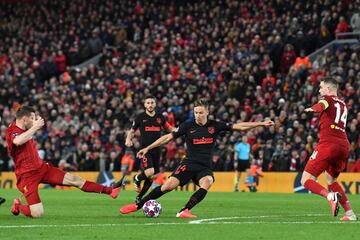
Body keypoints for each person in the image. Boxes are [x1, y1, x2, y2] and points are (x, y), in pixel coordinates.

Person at [120, 99, 274, 218]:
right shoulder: (188, 126)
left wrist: (260, 123)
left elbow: (239, 126)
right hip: (188, 164)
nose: (197, 115)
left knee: (207, 182)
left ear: (207, 112)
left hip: (204, 166)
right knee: (168, 186)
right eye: (195, 112)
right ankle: (138, 205)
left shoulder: (215, 125)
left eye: (200, 113)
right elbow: (167, 137)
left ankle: (184, 210)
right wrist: (147, 148)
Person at [5, 106, 125, 218]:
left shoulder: (25, 127)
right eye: (32, 118)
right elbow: (18, 141)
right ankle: (18, 205)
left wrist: (34, 126)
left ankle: (110, 190)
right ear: (24, 119)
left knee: (75, 180)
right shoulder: (12, 130)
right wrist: (35, 127)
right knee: (37, 213)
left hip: (42, 168)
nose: (34, 120)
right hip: (27, 175)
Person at [301, 77, 357, 221]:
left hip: (328, 144)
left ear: (328, 89)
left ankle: (329, 196)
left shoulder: (328, 99)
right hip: (344, 145)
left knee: (306, 180)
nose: (319, 90)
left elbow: (323, 104)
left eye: (321, 87)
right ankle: (350, 214)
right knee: (330, 180)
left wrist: (312, 108)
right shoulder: (343, 103)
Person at [125, 95, 175, 204]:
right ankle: (137, 178)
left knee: (152, 176)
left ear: (155, 104)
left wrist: (179, 131)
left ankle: (140, 196)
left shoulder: (160, 117)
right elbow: (132, 130)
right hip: (145, 150)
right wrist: (128, 139)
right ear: (144, 105)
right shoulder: (140, 117)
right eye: (148, 103)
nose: (150, 105)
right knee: (149, 172)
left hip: (157, 150)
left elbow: (169, 128)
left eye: (152, 102)